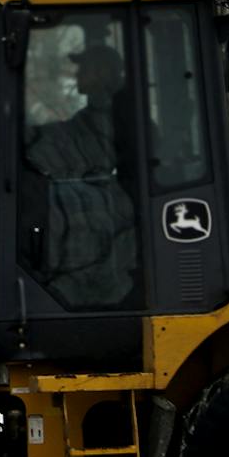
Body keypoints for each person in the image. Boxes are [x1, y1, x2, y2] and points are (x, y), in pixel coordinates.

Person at [22, 40, 139, 309]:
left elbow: (86, 154)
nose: (77, 74)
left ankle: (70, 287)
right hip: (104, 194)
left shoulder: (120, 117)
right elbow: (65, 136)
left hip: (116, 204)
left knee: (64, 210)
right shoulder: (92, 116)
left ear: (102, 73)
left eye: (84, 68)